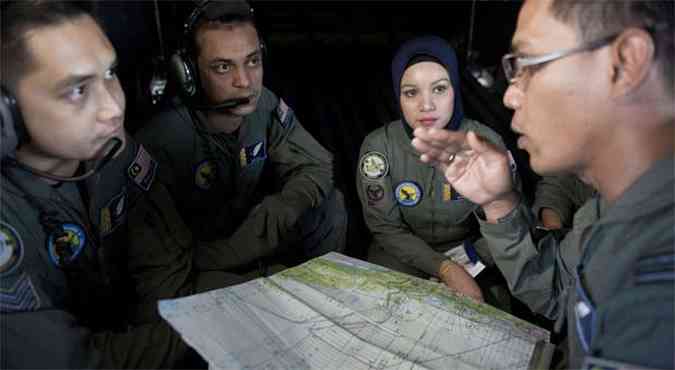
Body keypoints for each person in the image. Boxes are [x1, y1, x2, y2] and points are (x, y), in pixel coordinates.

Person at [411, 0, 673, 368]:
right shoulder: (611, 209)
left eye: (528, 65)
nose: (509, 95)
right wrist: (499, 204)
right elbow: (558, 291)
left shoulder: (658, 278)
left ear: (625, 62)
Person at [0, 1, 244, 367]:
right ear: (5, 115)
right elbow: (74, 363)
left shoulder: (118, 150)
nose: (113, 108)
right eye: (78, 90)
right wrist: (208, 329)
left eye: (110, 73)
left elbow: (164, 266)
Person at [136, 0, 347, 274]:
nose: (245, 81)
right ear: (188, 73)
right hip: (195, 262)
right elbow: (158, 267)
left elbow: (316, 164)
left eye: (252, 61)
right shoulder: (161, 141)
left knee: (329, 206)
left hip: (249, 235)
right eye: (223, 67)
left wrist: (282, 207)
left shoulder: (264, 105)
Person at [356, 35, 517, 303]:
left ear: (455, 88)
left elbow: (509, 218)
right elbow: (385, 228)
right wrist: (443, 268)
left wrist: (472, 261)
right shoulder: (378, 148)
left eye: (439, 89)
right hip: (400, 253)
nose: (426, 105)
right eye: (411, 92)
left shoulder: (487, 145)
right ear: (398, 97)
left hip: (473, 254)